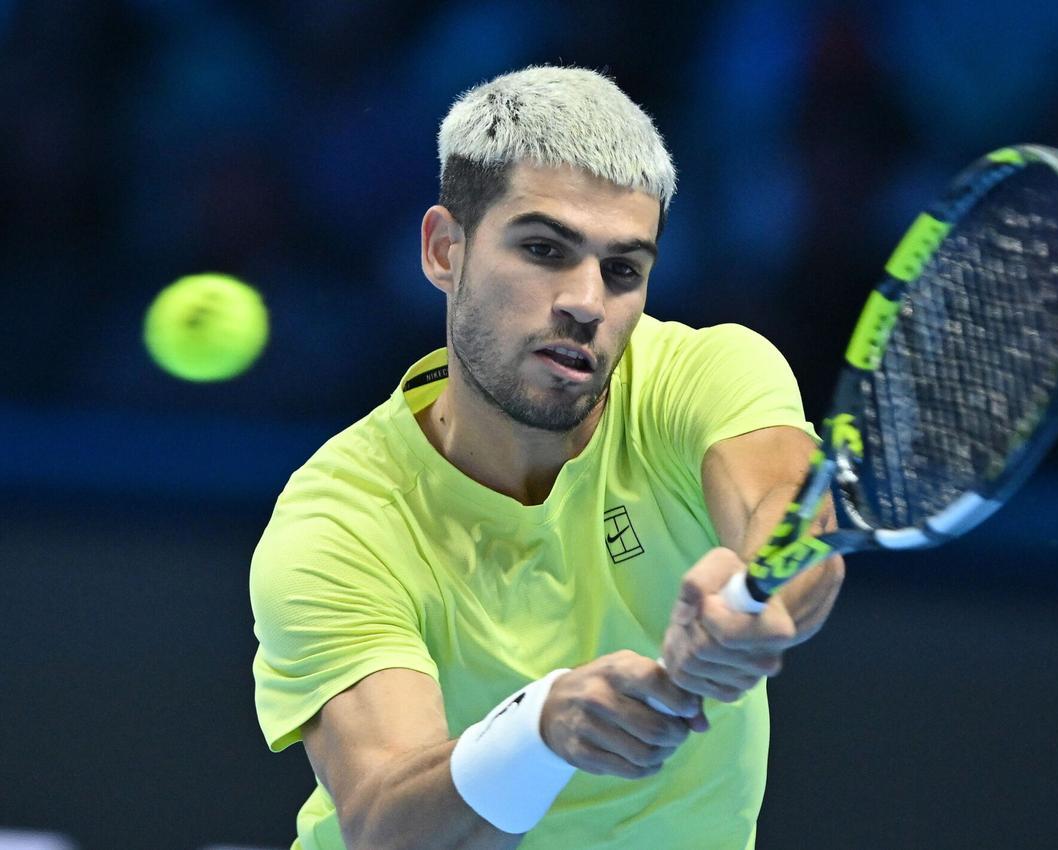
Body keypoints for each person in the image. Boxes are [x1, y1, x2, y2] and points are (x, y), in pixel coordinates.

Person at [250, 65, 844, 850]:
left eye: (622, 270)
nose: (587, 302)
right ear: (443, 251)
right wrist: (538, 730)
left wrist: (755, 598)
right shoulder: (340, 518)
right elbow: (387, 825)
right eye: (543, 248)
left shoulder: (705, 376)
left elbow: (790, 517)